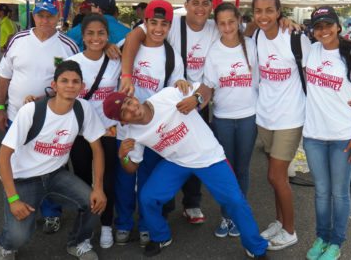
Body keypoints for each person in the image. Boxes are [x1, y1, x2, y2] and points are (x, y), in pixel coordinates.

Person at [102, 86, 269, 259]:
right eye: (124, 112)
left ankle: (256, 248)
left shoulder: (167, 95)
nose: (131, 108)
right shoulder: (132, 134)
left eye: (129, 102)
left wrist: (196, 98)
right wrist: (123, 156)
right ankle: (161, 236)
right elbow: (131, 168)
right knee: (148, 197)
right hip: (177, 162)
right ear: (123, 122)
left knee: (235, 200)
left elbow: (205, 90)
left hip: (208, 156)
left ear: (133, 97)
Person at [120, 0, 219, 225]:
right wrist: (126, 74)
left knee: (194, 150)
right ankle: (160, 206)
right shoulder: (173, 23)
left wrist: (282, 22)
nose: (200, 7)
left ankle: (191, 202)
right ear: (185, 5)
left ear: (211, 7)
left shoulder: (216, 27)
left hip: (199, 96)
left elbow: (240, 35)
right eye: (194, 2)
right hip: (165, 104)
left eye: (205, 3)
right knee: (164, 154)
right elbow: (137, 34)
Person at [0, 60, 107, 260]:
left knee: (93, 201)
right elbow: (3, 156)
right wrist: (13, 199)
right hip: (23, 178)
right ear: (54, 85)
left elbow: (97, 149)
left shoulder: (83, 108)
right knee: (18, 236)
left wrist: (98, 187)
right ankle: (6, 246)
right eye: (64, 81)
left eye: (75, 81)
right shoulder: (31, 111)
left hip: (55, 174)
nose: (70, 85)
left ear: (82, 87)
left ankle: (78, 243)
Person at [0, 0, 79, 233]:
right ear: (34, 15)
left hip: (52, 121)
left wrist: (46, 99)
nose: (45, 20)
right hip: (16, 116)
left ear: (58, 17)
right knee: (17, 165)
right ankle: (18, 208)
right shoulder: (17, 40)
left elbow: (73, 82)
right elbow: (4, 76)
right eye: (40, 15)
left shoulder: (67, 45)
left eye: (50, 16)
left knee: (52, 164)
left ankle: (52, 212)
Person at [303, 6, 351, 260]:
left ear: (338, 26)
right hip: (313, 135)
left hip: (344, 136)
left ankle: (336, 242)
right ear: (313, 31)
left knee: (339, 192)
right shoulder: (310, 50)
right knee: (321, 191)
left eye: (327, 25)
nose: (323, 31)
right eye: (318, 27)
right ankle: (322, 237)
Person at [114, 0, 188, 247]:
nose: (158, 28)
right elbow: (111, 52)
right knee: (125, 179)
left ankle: (146, 223)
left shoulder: (172, 56)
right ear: (144, 22)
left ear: (169, 26)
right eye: (153, 22)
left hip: (154, 130)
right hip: (126, 126)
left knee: (148, 179)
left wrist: (181, 86)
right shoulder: (129, 43)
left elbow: (176, 90)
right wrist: (106, 49)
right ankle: (123, 222)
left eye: (164, 24)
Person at [251, 0, 311, 251]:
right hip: (265, 116)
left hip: (290, 116)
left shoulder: (296, 38)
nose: (263, 16)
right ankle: (279, 221)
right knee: (276, 177)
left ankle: (290, 230)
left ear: (279, 12)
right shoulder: (254, 35)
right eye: (258, 11)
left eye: (269, 10)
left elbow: (314, 72)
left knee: (276, 176)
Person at [203, 2, 259, 238]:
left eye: (231, 22)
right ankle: (226, 216)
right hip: (223, 119)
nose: (227, 27)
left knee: (242, 169)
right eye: (222, 23)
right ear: (217, 25)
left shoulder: (252, 45)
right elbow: (209, 86)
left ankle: (239, 216)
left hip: (249, 117)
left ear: (239, 21)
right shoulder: (214, 50)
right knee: (226, 171)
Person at [66, 13, 121, 249]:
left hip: (108, 130)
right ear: (83, 36)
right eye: (90, 33)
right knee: (82, 181)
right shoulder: (73, 62)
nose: (95, 37)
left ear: (108, 36)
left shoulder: (116, 59)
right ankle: (85, 229)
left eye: (101, 33)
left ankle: (107, 225)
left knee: (107, 180)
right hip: (79, 132)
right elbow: (60, 93)